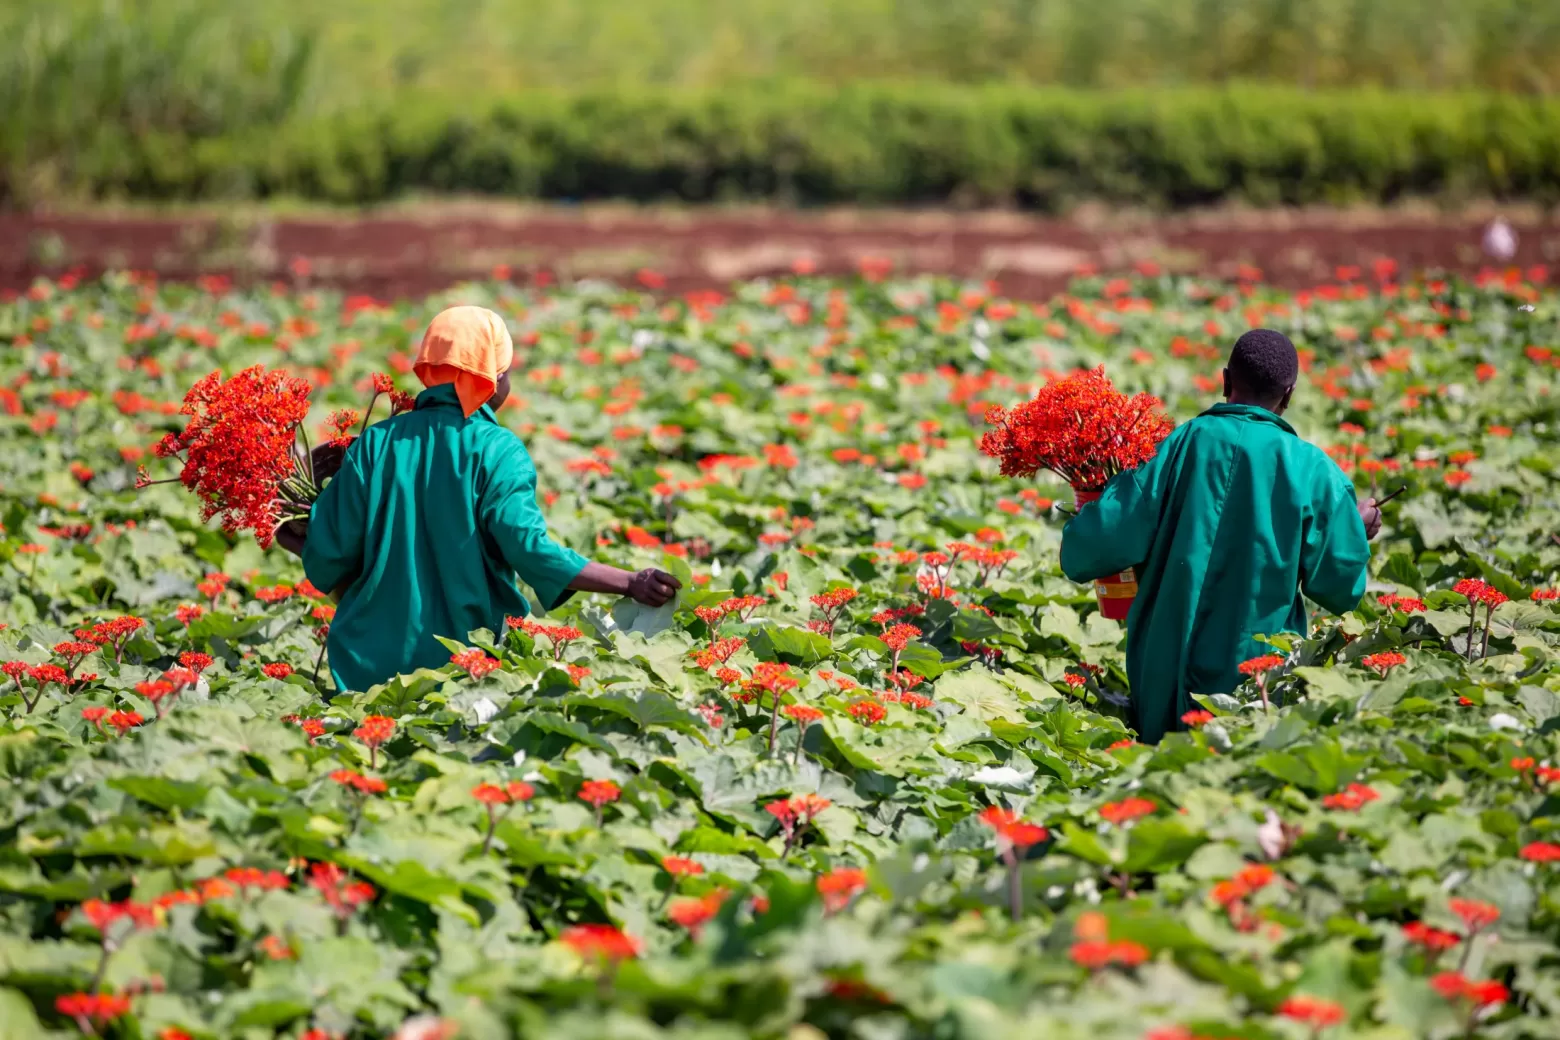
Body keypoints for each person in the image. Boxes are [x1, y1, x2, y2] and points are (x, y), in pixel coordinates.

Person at [275, 305, 680, 691]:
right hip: (470, 665)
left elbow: (330, 551)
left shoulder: (374, 443)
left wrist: (295, 531)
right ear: (493, 377)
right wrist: (628, 581)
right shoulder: (499, 450)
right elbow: (530, 549)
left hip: (369, 668)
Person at [1059, 329, 1381, 743]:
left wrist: (1091, 504)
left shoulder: (1176, 447)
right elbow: (1340, 589)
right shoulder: (1315, 472)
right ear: (1289, 395)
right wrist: (1355, 528)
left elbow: (1088, 550)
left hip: (1163, 689)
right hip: (1256, 691)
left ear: (1226, 380)